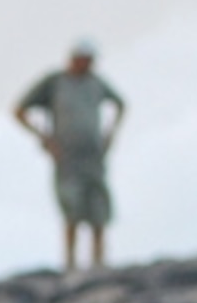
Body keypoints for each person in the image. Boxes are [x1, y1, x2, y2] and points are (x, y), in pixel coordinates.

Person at [15, 40, 125, 271]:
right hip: (67, 158)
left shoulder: (95, 83)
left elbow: (120, 104)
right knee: (71, 208)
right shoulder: (55, 82)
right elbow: (20, 109)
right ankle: (70, 264)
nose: (87, 65)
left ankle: (99, 263)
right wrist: (44, 138)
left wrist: (110, 134)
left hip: (94, 157)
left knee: (98, 209)